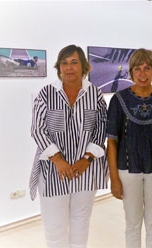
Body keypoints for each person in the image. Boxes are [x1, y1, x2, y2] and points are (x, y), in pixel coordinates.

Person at [30, 45, 108, 248]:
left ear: (83, 66)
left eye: (74, 62)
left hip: (85, 172)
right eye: (64, 63)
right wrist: (58, 160)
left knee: (81, 226)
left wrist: (87, 159)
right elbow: (37, 130)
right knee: (55, 229)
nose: (69, 67)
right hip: (53, 173)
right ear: (59, 67)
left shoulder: (96, 95)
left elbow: (101, 129)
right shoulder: (46, 94)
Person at [106, 48, 152, 248]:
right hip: (127, 170)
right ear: (131, 72)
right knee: (132, 224)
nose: (143, 74)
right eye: (138, 69)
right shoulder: (119, 99)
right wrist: (114, 177)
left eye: (147, 68)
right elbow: (112, 142)